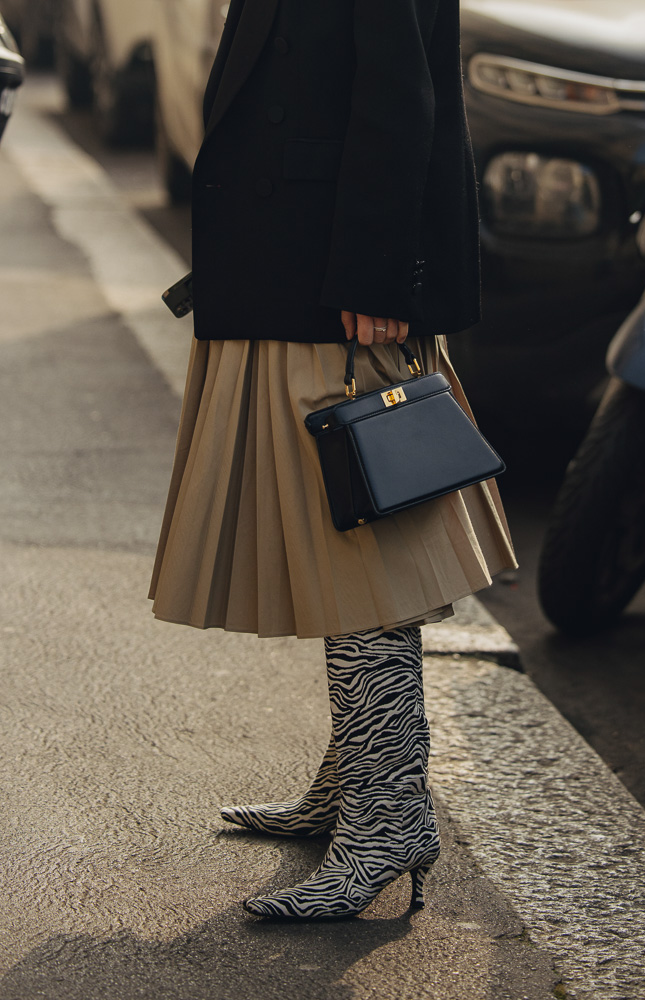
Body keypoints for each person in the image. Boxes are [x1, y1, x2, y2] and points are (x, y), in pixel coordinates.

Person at [149, 0, 516, 919]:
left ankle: (388, 816)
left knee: (360, 554)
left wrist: (374, 277)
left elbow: (400, 94)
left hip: (331, 286)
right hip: (286, 266)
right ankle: (357, 788)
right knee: (336, 547)